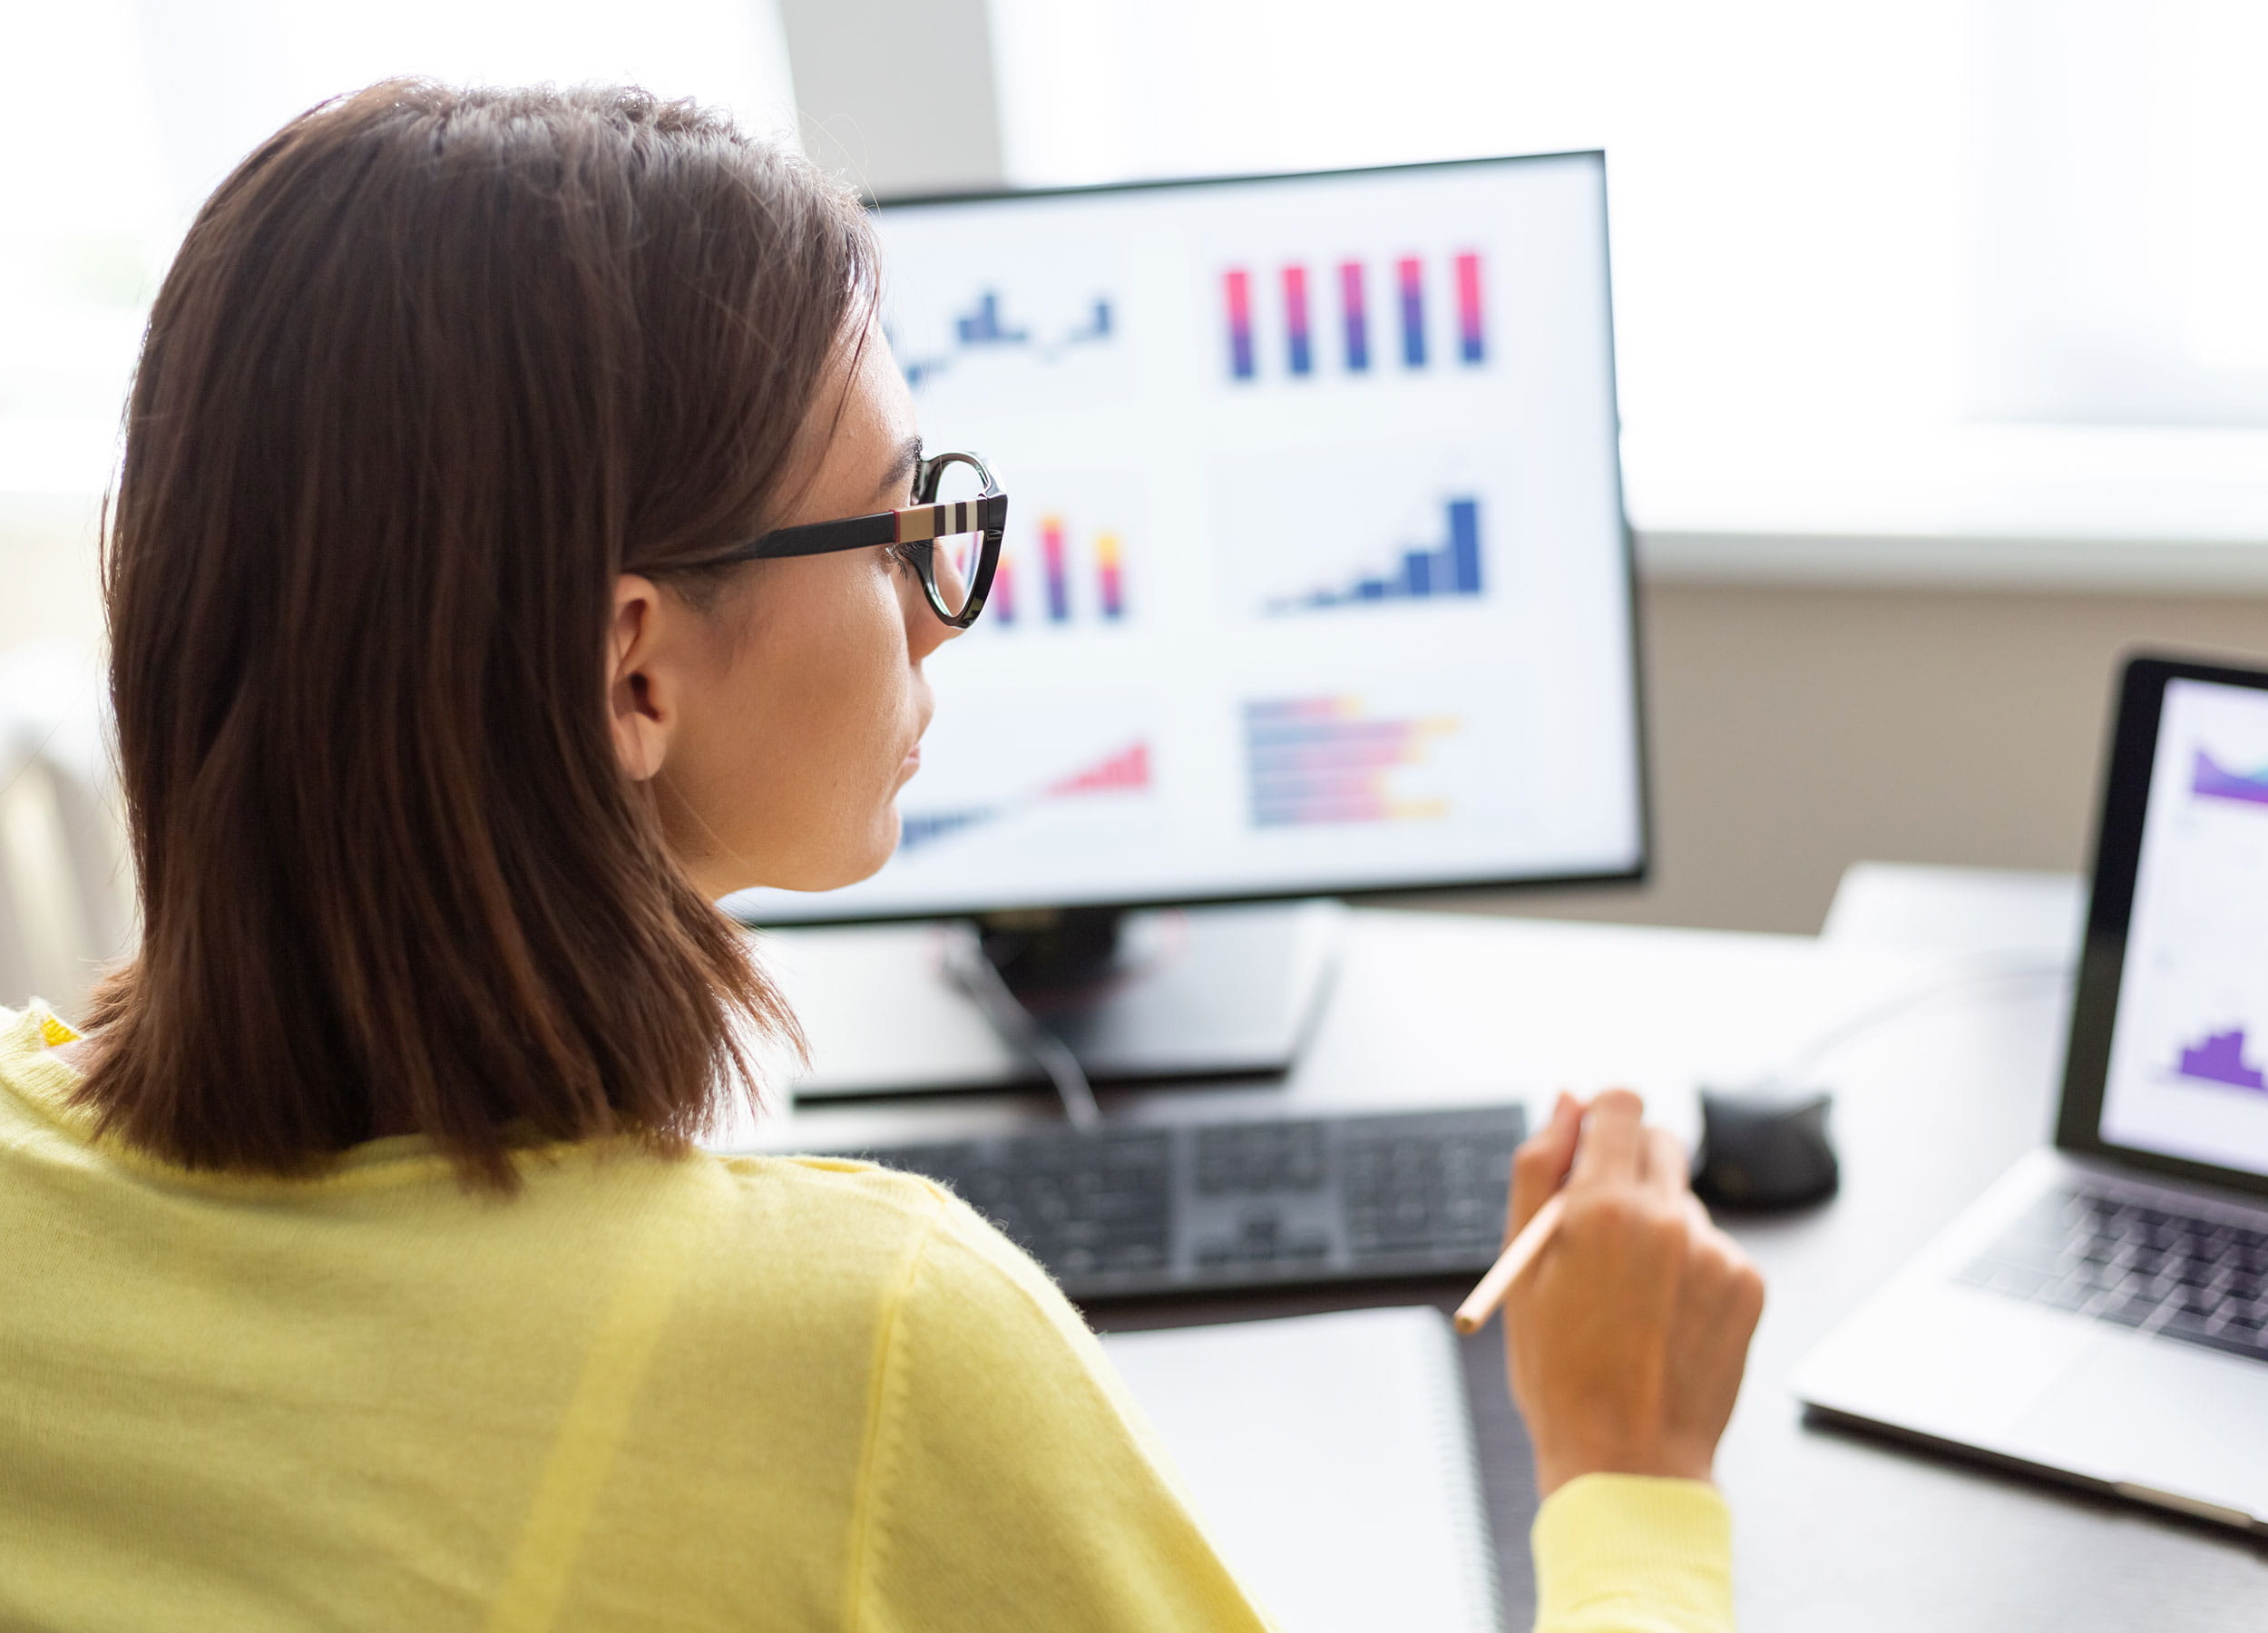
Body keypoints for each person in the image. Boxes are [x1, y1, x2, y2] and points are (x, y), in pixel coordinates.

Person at [0, 81, 1763, 1630]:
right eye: (893, 527)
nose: (940, 612)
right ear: (632, 671)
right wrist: (1628, 1475)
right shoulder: (871, 1351)